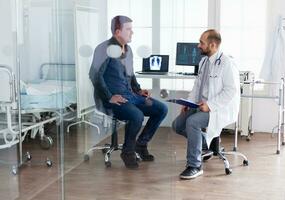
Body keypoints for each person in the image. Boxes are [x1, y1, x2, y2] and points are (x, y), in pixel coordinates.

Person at [89, 15, 168, 169]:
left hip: (131, 95)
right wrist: (109, 96)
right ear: (118, 31)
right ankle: (128, 151)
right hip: (113, 99)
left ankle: (141, 144)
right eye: (129, 29)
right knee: (136, 116)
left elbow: (130, 75)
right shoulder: (104, 49)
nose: (132, 33)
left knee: (161, 109)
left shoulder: (128, 49)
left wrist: (139, 90)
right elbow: (94, 75)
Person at [172, 29, 240, 179]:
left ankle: (195, 165)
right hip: (200, 105)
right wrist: (188, 102)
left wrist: (210, 106)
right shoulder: (204, 61)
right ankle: (204, 143)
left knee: (192, 122)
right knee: (177, 125)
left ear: (213, 45)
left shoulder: (227, 63)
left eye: (201, 43)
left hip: (218, 109)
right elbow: (197, 86)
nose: (198, 45)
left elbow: (231, 91)